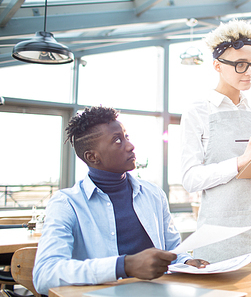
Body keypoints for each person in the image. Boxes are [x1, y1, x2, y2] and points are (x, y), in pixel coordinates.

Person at [33, 106, 208, 295]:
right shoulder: (66, 204)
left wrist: (185, 261)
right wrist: (123, 266)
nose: (130, 146)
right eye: (117, 140)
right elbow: (45, 274)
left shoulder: (153, 194)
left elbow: (173, 250)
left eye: (126, 136)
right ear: (93, 157)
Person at [180, 19, 251, 263]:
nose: (249, 72)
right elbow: (189, 179)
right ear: (217, 65)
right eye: (239, 65)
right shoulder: (197, 112)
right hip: (218, 235)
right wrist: (239, 162)